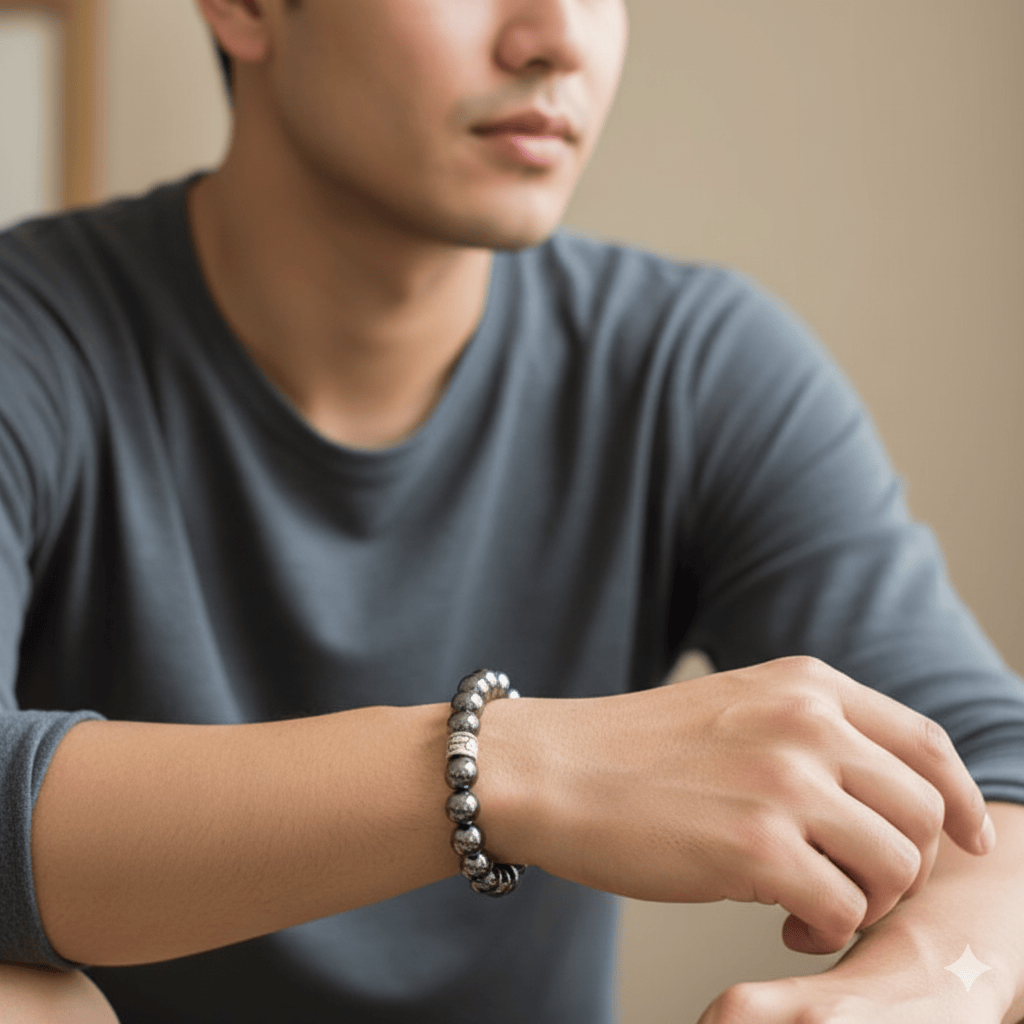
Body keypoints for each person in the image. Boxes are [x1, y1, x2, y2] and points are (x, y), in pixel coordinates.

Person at [1, 1, 1023, 1021]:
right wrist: (512, 767)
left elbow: (996, 775)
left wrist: (928, 984)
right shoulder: (33, 340)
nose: (558, 38)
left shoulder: (690, 369)